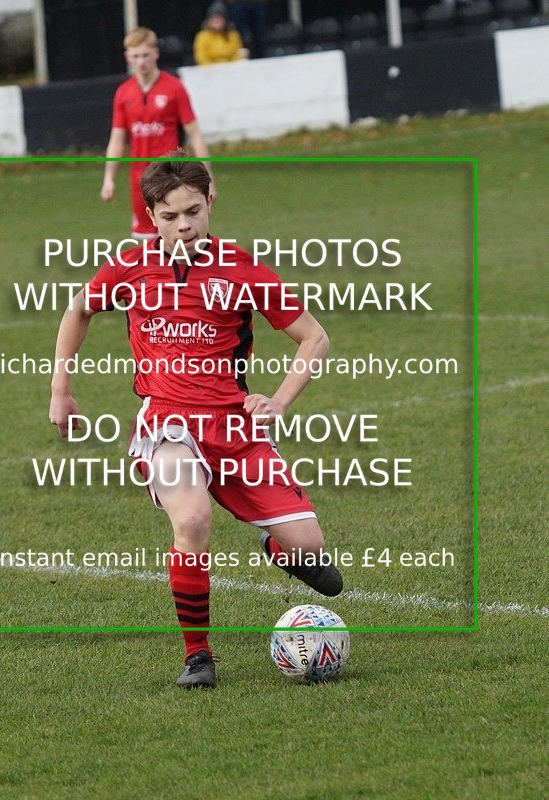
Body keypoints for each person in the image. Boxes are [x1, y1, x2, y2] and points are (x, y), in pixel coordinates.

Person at [51, 158, 343, 689]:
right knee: (191, 521)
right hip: (168, 426)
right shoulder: (129, 266)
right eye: (169, 215)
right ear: (151, 216)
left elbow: (314, 336)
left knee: (307, 546)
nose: (183, 225)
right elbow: (78, 311)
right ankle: (198, 657)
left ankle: (280, 547)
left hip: (233, 427)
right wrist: (60, 390)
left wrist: (278, 401)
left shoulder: (242, 268)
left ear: (211, 203)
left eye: (192, 211)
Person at [100, 27, 215, 239]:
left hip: (173, 178)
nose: (141, 61)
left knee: (180, 240)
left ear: (156, 53)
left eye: (145, 55)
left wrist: (209, 179)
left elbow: (195, 135)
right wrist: (109, 178)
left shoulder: (174, 88)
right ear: (128, 57)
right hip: (140, 182)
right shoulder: (123, 93)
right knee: (146, 247)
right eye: (136, 56)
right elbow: (117, 139)